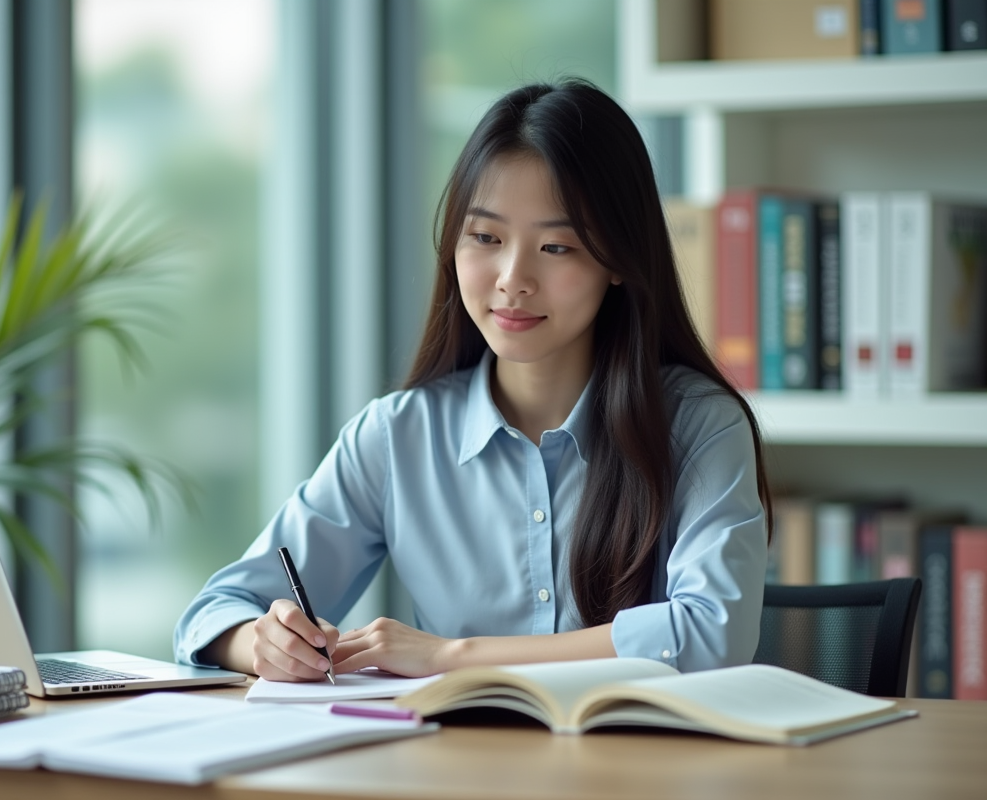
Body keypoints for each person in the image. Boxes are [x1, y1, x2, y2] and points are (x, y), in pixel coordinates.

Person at [173, 78, 771, 682]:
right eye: (486, 238)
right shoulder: (398, 436)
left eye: (558, 247)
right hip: (450, 773)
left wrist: (452, 657)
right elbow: (212, 614)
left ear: (617, 258)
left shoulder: (698, 424)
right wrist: (264, 643)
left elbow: (712, 632)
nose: (513, 278)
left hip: (636, 769)